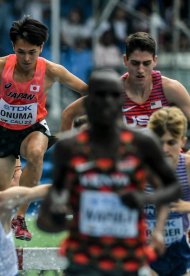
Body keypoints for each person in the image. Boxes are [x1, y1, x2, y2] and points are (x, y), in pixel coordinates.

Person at [0, 16, 87, 241]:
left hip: (33, 128)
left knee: (35, 153)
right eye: (21, 51)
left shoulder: (52, 71)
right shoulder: (0, 65)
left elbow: (87, 90)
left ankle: (20, 218)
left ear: (41, 48)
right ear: (13, 47)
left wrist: (76, 114)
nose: (26, 58)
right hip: (2, 132)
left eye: (32, 52)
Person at [37, 69, 181, 275]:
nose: (107, 101)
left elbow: (173, 188)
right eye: (100, 95)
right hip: (83, 260)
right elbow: (48, 214)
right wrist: (59, 219)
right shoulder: (68, 148)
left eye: (114, 95)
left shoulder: (142, 143)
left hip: (129, 259)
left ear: (122, 102)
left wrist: (144, 199)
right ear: (87, 102)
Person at [60, 31, 190, 131]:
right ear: (125, 60)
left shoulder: (171, 89)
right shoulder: (112, 92)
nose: (140, 69)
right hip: (128, 162)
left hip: (165, 161)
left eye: (146, 63)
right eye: (135, 63)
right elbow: (68, 114)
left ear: (155, 61)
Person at [146, 107, 190, 275]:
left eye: (171, 142)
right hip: (146, 251)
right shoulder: (140, 168)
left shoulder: (187, 167)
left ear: (182, 142)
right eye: (159, 142)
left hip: (181, 251)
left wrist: (187, 206)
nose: (164, 149)